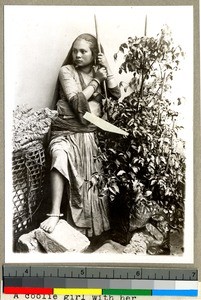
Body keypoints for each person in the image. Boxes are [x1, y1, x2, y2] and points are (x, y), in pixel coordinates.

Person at [40, 33, 121, 238]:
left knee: (91, 182)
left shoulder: (99, 72)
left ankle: (89, 231)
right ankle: (55, 214)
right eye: (75, 50)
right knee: (59, 155)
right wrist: (96, 81)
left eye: (83, 51)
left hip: (88, 134)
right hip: (64, 132)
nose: (77, 55)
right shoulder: (66, 71)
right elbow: (77, 103)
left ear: (94, 54)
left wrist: (107, 69)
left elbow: (116, 95)